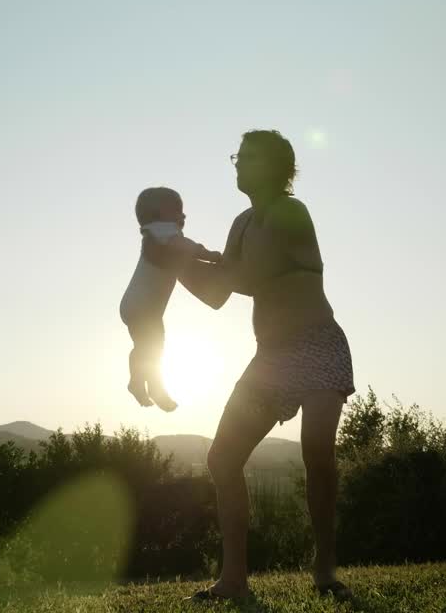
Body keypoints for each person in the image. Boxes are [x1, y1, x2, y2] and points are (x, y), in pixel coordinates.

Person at [178, 130, 355, 602]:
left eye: (249, 157)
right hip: (272, 358)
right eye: (237, 156)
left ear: (279, 167)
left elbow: (247, 277)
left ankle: (324, 567)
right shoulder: (241, 222)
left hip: (318, 345)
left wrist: (183, 257)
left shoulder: (290, 212)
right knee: (223, 458)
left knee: (317, 450)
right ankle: (233, 579)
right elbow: (218, 294)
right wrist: (180, 262)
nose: (237, 164)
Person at [120, 186, 221, 412]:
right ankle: (144, 384)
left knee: (150, 347)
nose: (182, 215)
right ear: (157, 213)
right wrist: (209, 255)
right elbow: (183, 247)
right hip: (142, 306)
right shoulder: (161, 230)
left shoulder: (157, 233)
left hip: (140, 306)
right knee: (151, 347)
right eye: (176, 210)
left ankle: (144, 384)